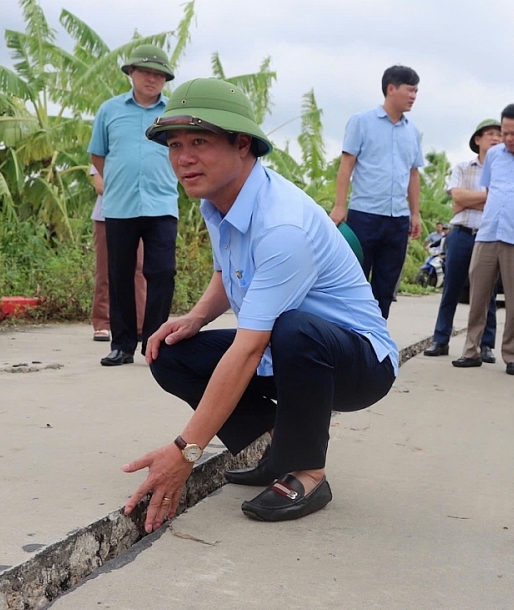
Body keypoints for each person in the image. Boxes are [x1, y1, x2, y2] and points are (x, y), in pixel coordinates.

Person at [121, 78, 399, 532]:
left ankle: (307, 472)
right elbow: (225, 271)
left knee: (292, 328)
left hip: (357, 362)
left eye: (198, 142)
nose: (183, 158)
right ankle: (280, 447)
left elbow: (249, 348)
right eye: (174, 144)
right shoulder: (219, 202)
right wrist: (195, 317)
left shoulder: (282, 225)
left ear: (243, 145)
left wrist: (185, 452)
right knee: (169, 352)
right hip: (285, 347)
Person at [88, 45, 179, 366]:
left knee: (163, 273)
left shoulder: (173, 112)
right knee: (120, 275)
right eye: (146, 73)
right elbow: (98, 155)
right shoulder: (109, 110)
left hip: (162, 203)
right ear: (131, 74)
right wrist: (118, 178)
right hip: (119, 206)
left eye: (159, 75)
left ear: (165, 80)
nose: (152, 79)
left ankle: (155, 344)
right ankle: (122, 345)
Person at [452, 104, 514, 376]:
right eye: (504, 132)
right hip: (488, 233)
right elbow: (488, 189)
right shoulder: (495, 155)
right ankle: (471, 350)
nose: (507, 138)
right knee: (478, 295)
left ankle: (513, 355)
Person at [330, 65, 424, 319]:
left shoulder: (413, 132)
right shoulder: (362, 121)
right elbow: (346, 165)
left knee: (386, 287)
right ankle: (349, 336)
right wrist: (340, 206)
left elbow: (413, 174)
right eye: (410, 89)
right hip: (365, 215)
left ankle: (375, 339)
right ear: (391, 89)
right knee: (355, 281)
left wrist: (415, 214)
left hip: (397, 220)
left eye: (417, 91)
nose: (414, 95)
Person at [423, 119, 502, 362]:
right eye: (490, 134)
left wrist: (469, 201)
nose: (496, 138)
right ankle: (440, 339)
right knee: (452, 288)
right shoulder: (462, 167)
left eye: (499, 134)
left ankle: (486, 345)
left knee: (487, 292)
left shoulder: (503, 170)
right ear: (477, 140)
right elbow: (457, 196)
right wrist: (486, 198)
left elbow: (499, 201)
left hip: (489, 236)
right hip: (462, 234)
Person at [89, 165, 147, 343]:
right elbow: (99, 185)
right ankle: (103, 323)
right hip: (107, 216)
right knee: (106, 269)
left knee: (138, 269)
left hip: (138, 214)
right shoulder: (106, 155)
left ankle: (139, 324)